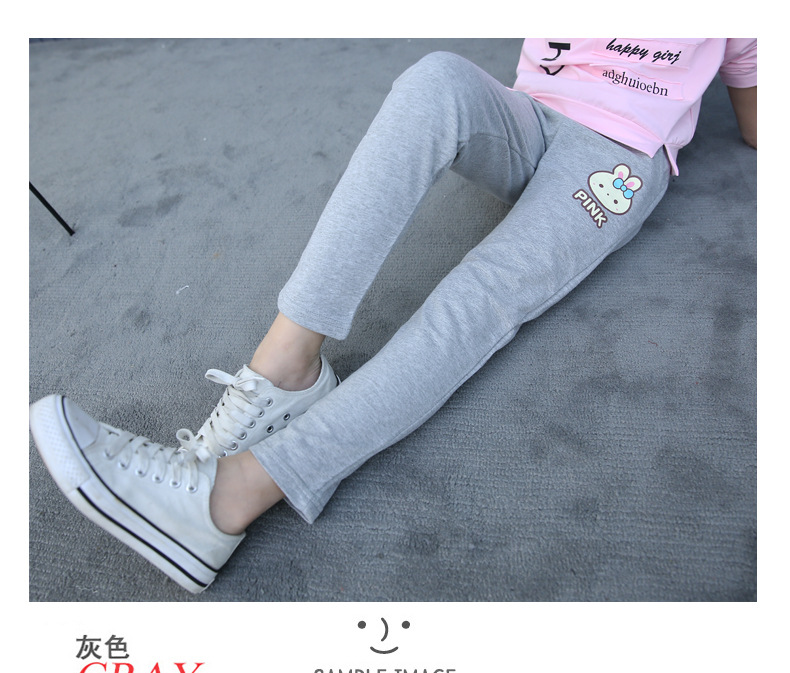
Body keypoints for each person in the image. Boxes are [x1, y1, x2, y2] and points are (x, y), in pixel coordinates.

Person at [29, 39, 757, 594]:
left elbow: (757, 119)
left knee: (482, 297)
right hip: (529, 113)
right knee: (436, 79)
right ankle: (285, 368)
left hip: (618, 156)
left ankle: (231, 497)